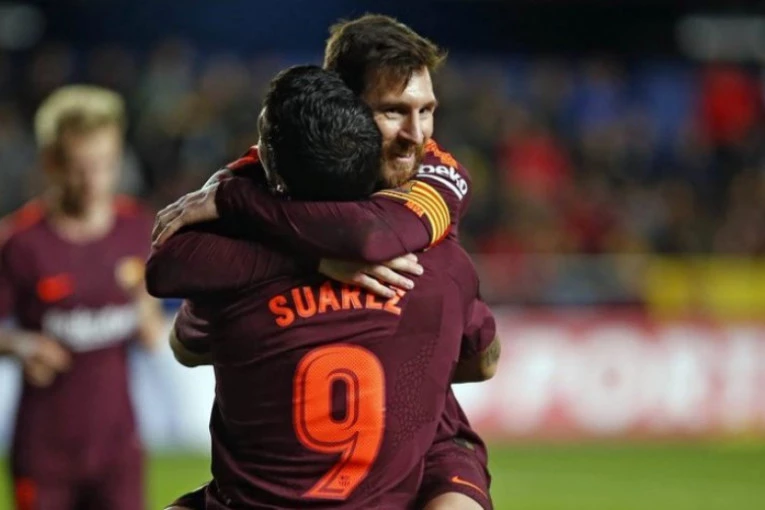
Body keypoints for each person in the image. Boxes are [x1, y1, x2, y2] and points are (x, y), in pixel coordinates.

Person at [152, 14, 496, 510]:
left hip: (429, 442)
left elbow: (373, 237)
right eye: (394, 111)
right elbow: (167, 267)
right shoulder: (268, 168)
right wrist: (314, 258)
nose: (416, 134)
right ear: (344, 107)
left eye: (427, 110)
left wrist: (238, 205)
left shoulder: (436, 173)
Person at [0, 85, 164, 510]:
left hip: (118, 447)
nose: (94, 180)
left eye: (105, 164)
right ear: (51, 162)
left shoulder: (138, 229)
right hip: (45, 451)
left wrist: (147, 311)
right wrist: (21, 345)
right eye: (80, 167)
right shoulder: (20, 242)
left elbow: (152, 331)